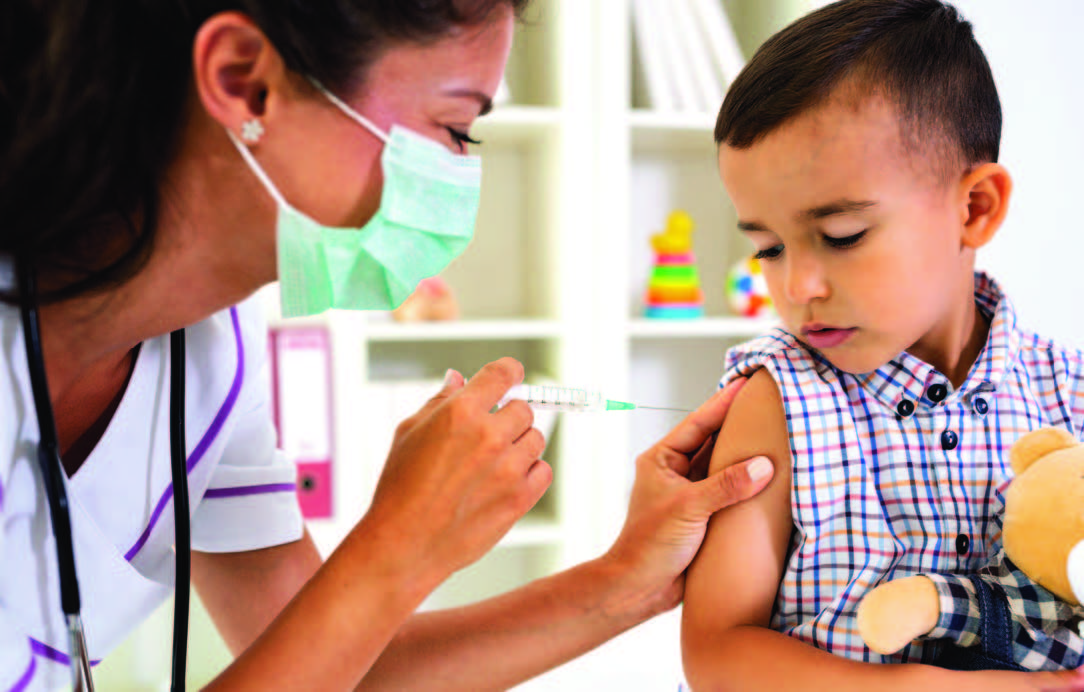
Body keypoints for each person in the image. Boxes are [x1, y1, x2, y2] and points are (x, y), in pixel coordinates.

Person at [0, 1, 778, 690]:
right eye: (455, 127)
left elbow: (341, 666)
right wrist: (400, 542)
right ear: (245, 84)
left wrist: (628, 582)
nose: (460, 176)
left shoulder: (212, 361)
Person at [680, 0, 1084, 690]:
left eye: (841, 236)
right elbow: (717, 655)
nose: (799, 284)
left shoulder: (1066, 390)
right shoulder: (778, 398)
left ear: (974, 208)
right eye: (767, 248)